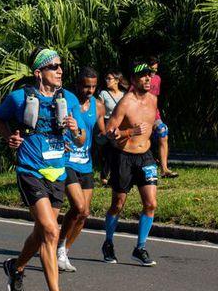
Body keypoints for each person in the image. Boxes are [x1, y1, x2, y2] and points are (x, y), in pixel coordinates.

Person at [0, 48, 82, 291]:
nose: (60, 70)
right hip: (30, 169)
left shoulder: (68, 99)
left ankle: (16, 267)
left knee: (41, 233)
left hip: (57, 172)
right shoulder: (19, 97)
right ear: (38, 72)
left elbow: (81, 139)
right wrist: (9, 138)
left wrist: (75, 130)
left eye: (60, 66)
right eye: (54, 66)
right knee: (51, 230)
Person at [101, 60, 160, 267]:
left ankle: (140, 248)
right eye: (143, 75)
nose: (147, 78)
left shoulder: (153, 100)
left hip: (146, 156)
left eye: (149, 75)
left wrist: (159, 127)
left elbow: (152, 122)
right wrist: (130, 132)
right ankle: (108, 243)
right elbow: (109, 132)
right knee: (117, 204)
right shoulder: (125, 103)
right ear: (133, 80)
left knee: (151, 204)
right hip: (124, 156)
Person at [57, 68, 104, 273]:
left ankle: (63, 251)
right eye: (86, 86)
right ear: (78, 85)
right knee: (78, 206)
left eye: (93, 86)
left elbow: (101, 132)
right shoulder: (65, 102)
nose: (90, 90)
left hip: (86, 163)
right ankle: (58, 248)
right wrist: (60, 142)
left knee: (84, 213)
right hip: (67, 161)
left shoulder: (98, 106)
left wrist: (110, 135)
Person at [148, 58, 178, 178]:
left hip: (154, 113)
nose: (154, 72)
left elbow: (155, 97)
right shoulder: (139, 80)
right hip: (141, 114)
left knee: (163, 131)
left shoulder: (157, 79)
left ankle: (164, 169)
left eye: (156, 69)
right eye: (152, 69)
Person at [96, 72, 125, 185]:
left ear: (117, 80)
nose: (107, 80)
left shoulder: (124, 94)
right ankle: (105, 177)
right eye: (106, 78)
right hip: (107, 123)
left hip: (120, 125)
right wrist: (101, 128)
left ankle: (114, 176)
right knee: (109, 151)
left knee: (117, 151)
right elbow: (99, 111)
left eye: (109, 78)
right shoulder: (103, 94)